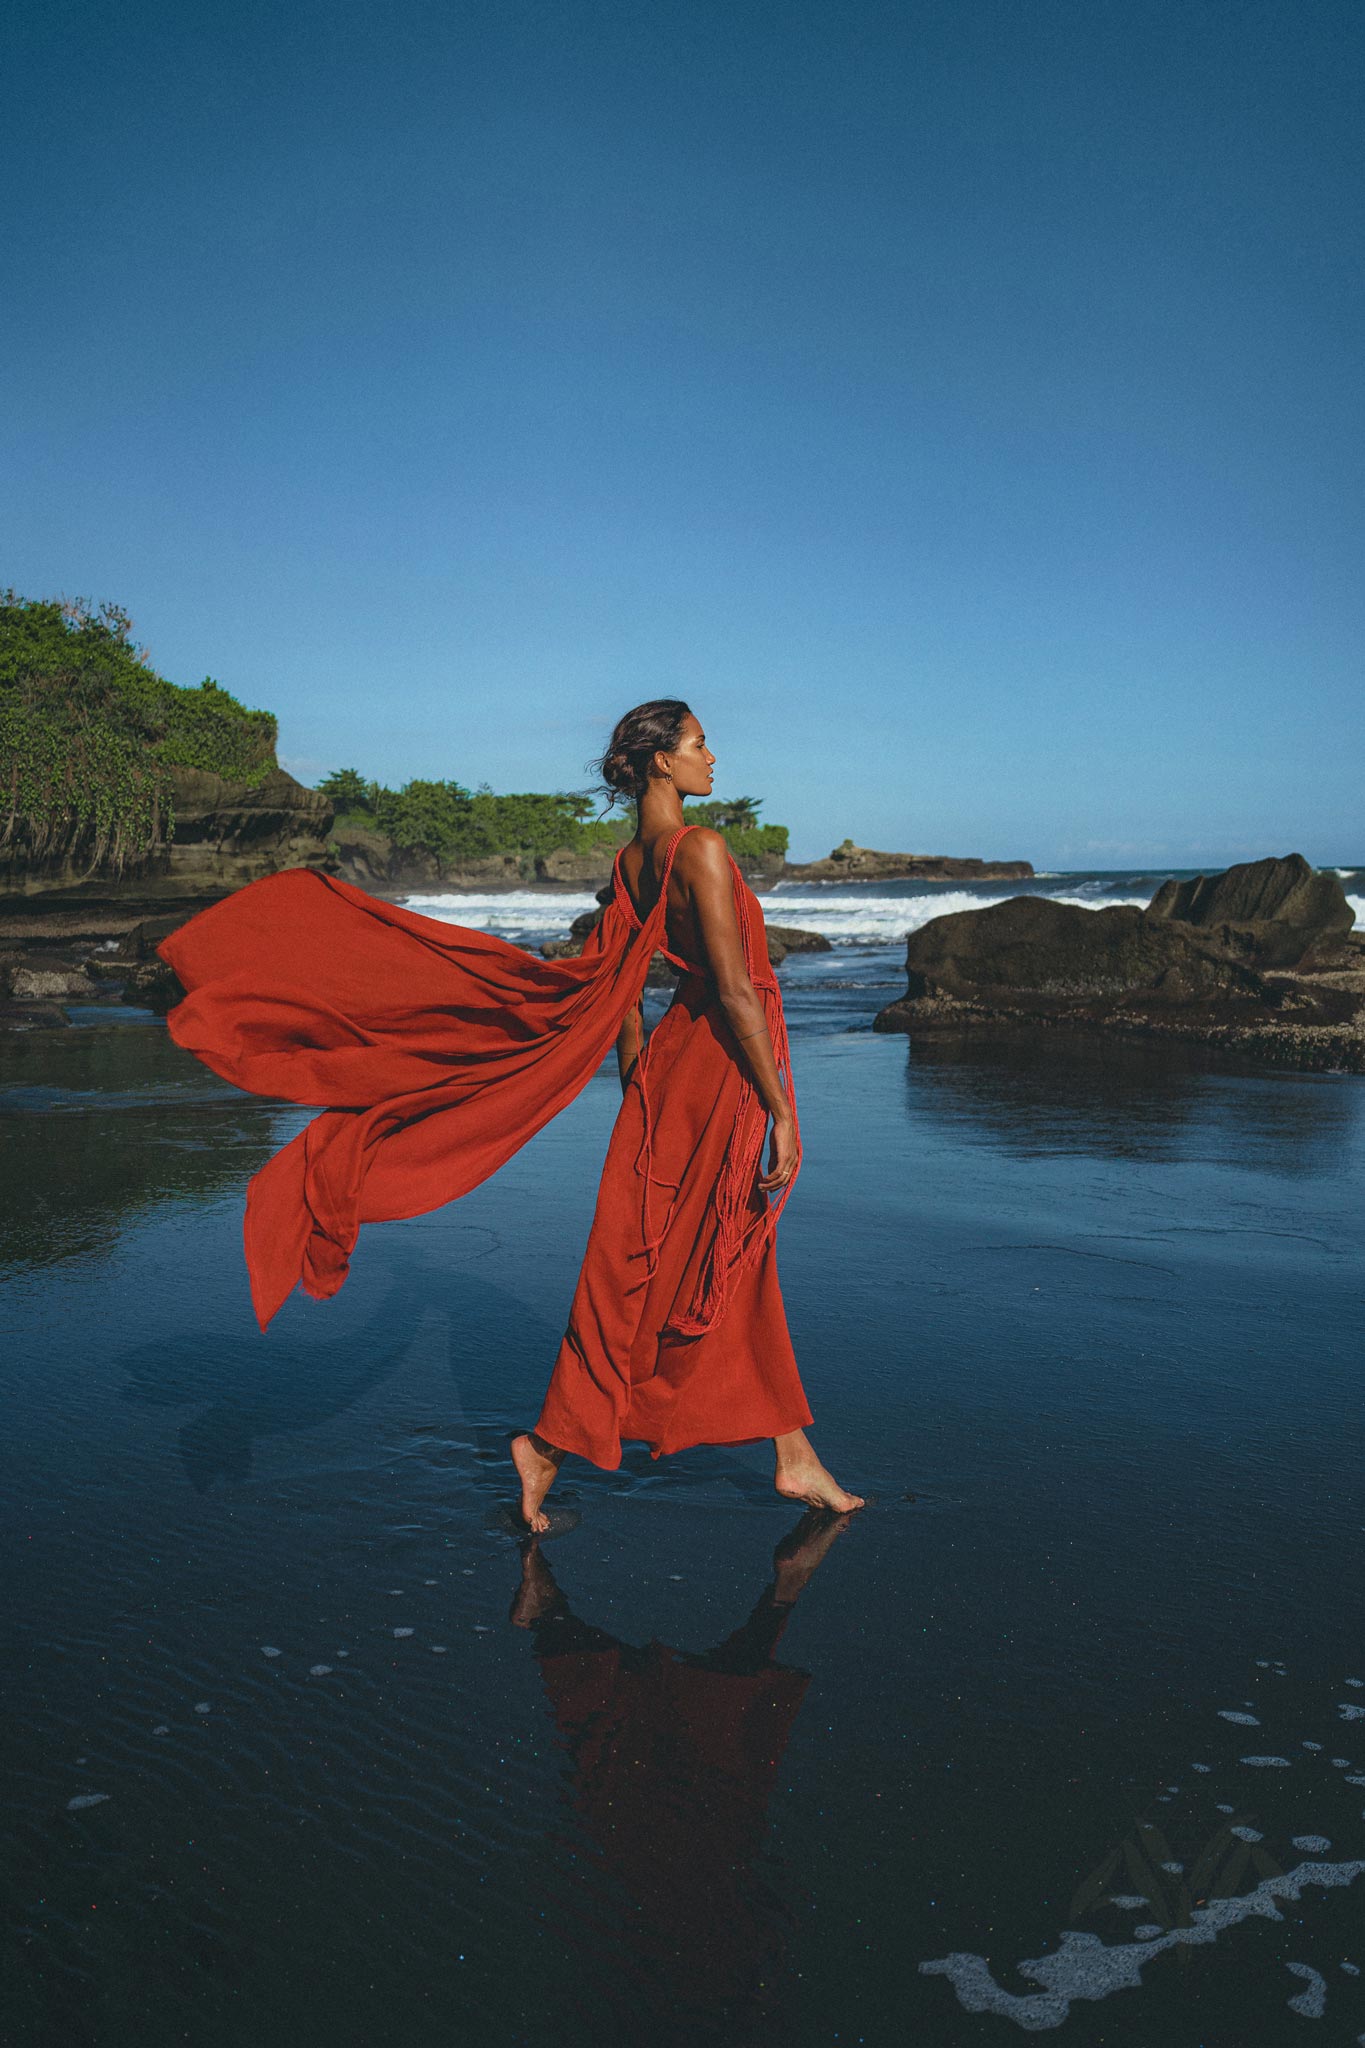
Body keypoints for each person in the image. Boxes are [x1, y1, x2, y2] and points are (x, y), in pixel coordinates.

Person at [510, 700, 864, 1530]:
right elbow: (737, 989)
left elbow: (625, 992)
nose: (715, 758)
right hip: (724, 1069)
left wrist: (641, 1086)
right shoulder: (698, 848)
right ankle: (555, 1446)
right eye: (702, 745)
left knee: (686, 1261)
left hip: (674, 1070)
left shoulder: (630, 862)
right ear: (662, 762)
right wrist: (780, 1108)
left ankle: (790, 1456)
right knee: (721, 1255)